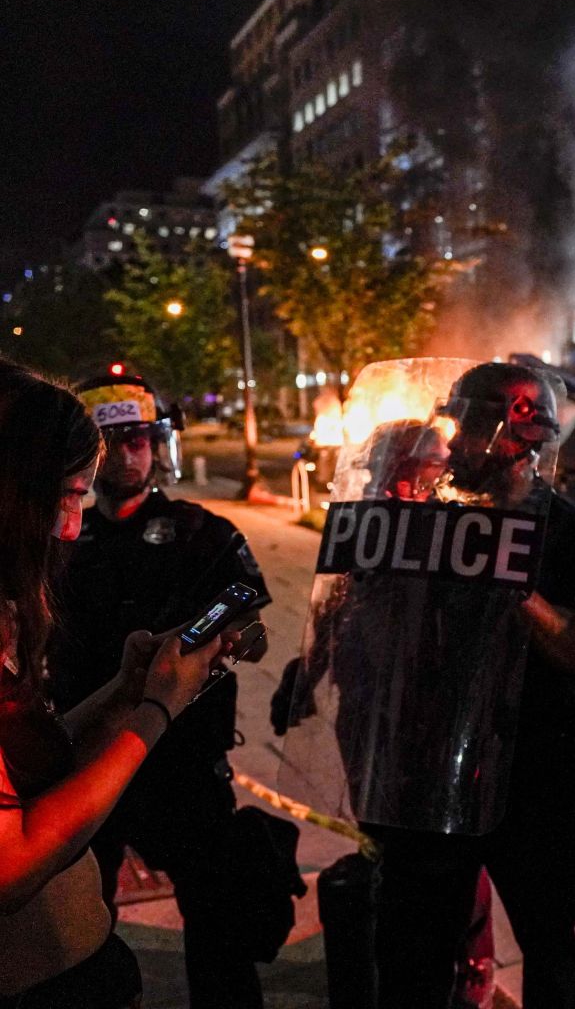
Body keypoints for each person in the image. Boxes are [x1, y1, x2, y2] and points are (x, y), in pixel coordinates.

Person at [277, 362, 575, 1009]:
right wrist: (310, 665)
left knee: (549, 940)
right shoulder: (431, 520)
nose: (453, 442)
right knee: (413, 949)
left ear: (518, 435)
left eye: (466, 427)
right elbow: (361, 600)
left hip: (533, 773)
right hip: (430, 769)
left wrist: (513, 584)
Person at [0, 360, 231, 1008]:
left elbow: (26, 764)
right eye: (69, 493)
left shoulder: (198, 533)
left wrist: (124, 692)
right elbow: (11, 866)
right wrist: (158, 708)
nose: (70, 528)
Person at [46, 372, 272, 1009]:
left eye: (141, 438)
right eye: (114, 440)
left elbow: (246, 615)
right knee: (81, 925)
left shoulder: (203, 532)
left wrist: (224, 639)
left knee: (218, 925)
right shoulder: (60, 540)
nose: (130, 452)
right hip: (89, 751)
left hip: (185, 756)